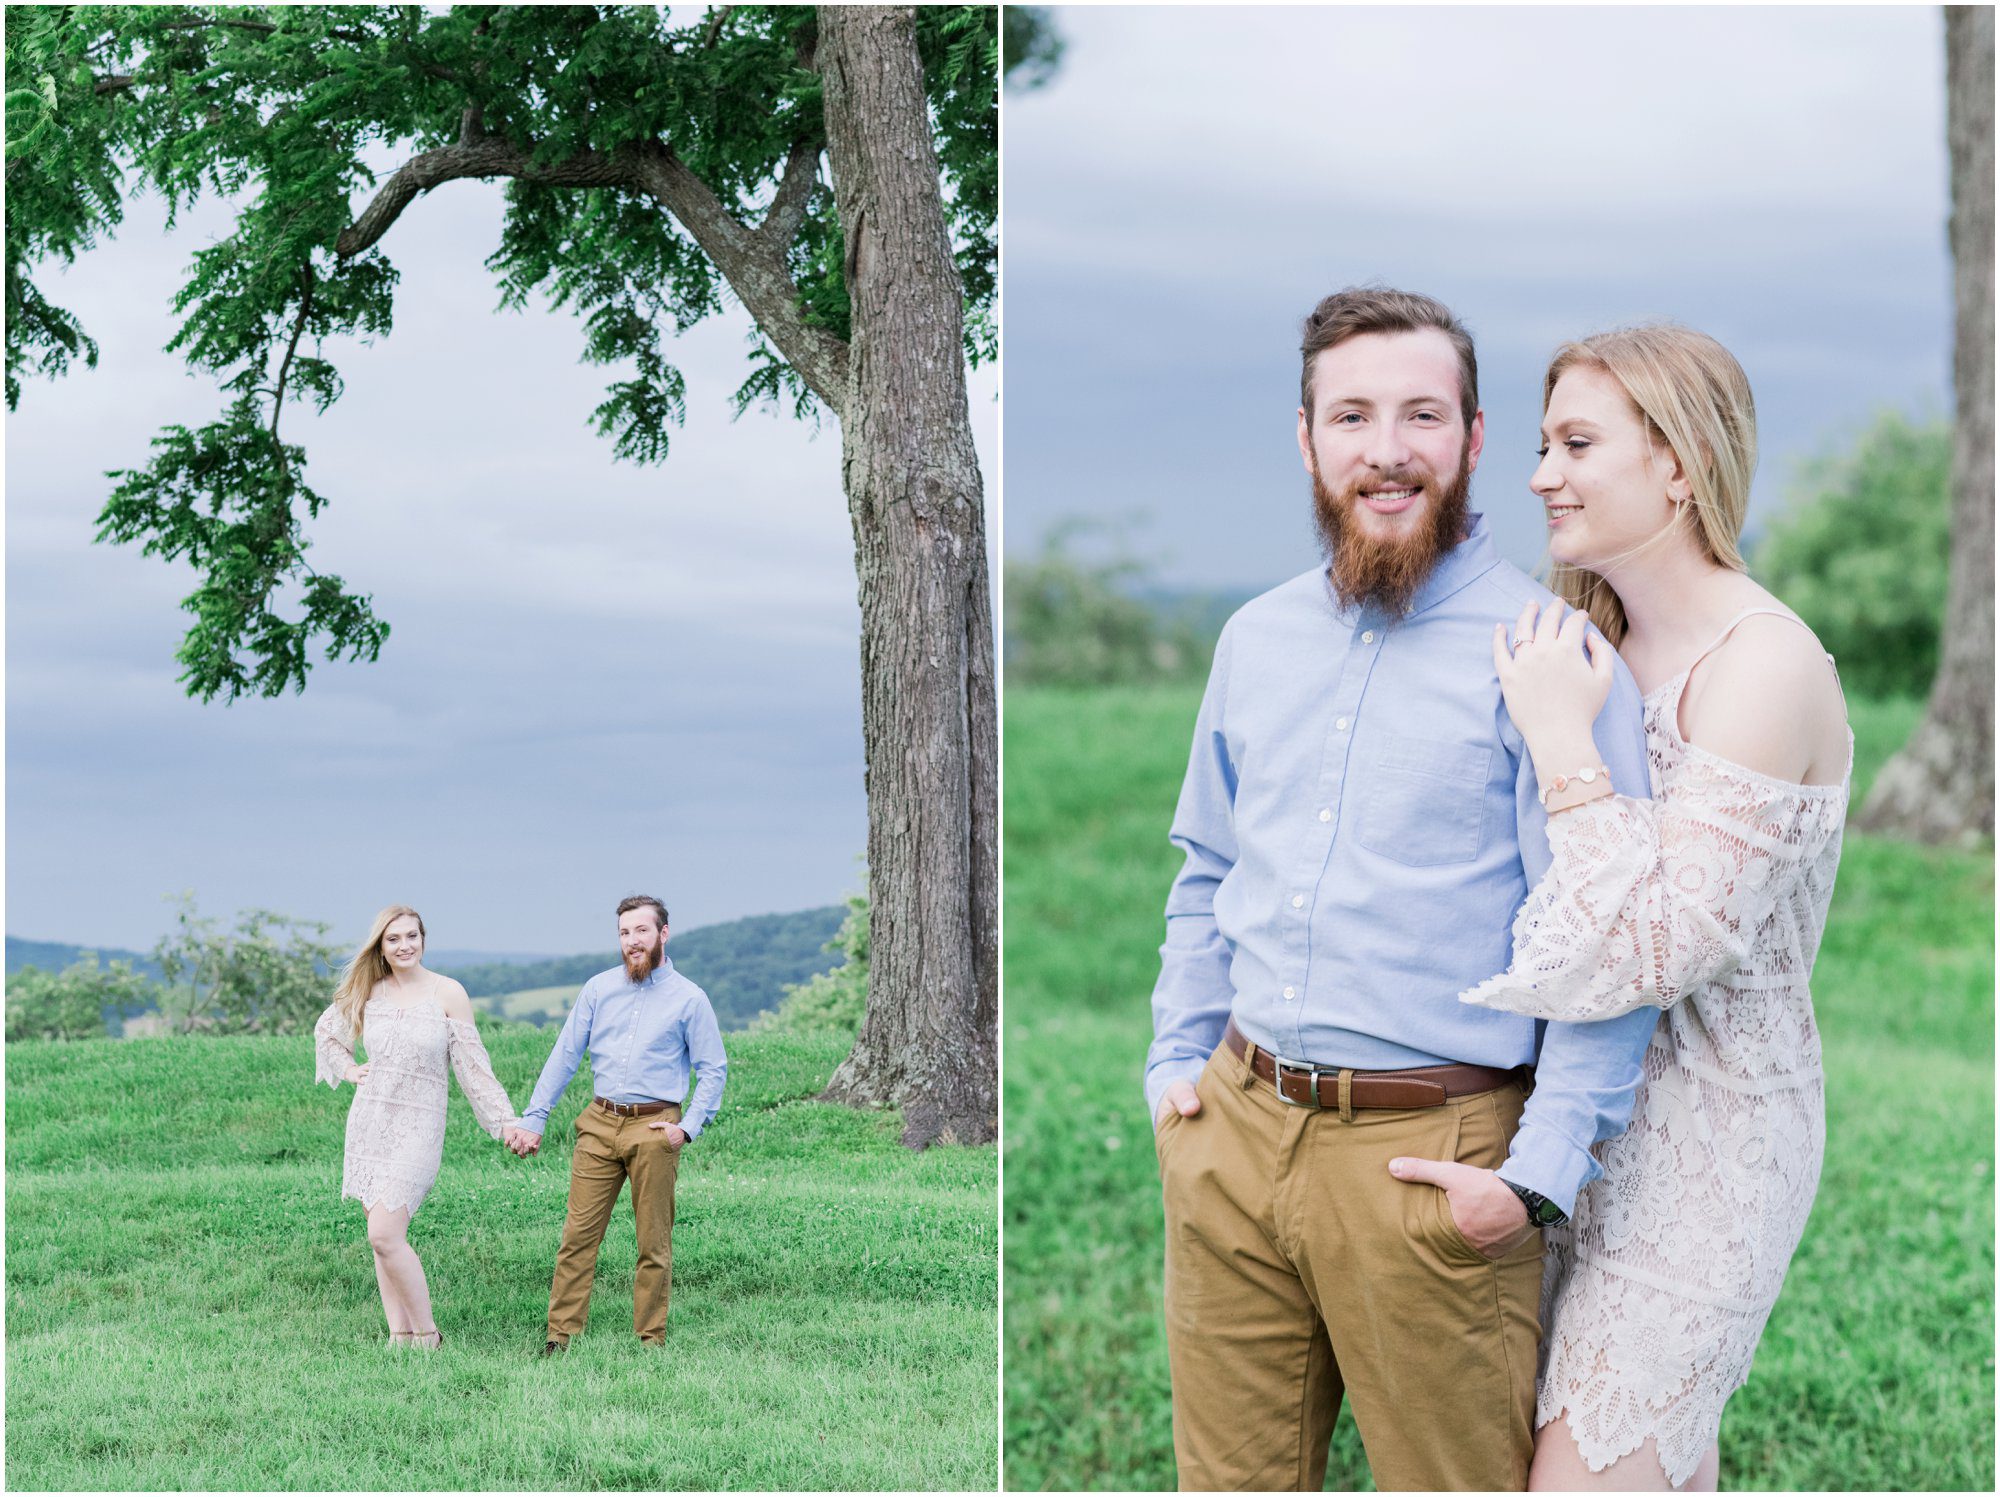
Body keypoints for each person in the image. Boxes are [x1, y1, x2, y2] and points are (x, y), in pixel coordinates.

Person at [1146, 285, 1660, 1492]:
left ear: (1474, 440)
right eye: (1351, 416)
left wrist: (1530, 1179)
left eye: (1420, 416)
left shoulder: (1554, 659)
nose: (1385, 451)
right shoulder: (1253, 640)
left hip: (1432, 1161)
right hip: (1230, 1132)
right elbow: (1207, 869)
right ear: (1306, 437)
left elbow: (1606, 942)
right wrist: (1176, 1067)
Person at [1456, 324, 1851, 1491]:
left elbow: (1653, 949)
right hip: (1557, 1113)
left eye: (1576, 443)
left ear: (1676, 464)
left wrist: (1560, 743)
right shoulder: (1583, 645)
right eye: (1539, 444)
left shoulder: (1761, 663)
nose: (1538, 475)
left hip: (1706, 1140)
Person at [507, 894, 727, 1352]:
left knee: (653, 1243)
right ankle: (560, 1337)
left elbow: (713, 1069)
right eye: (625, 933)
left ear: (663, 934)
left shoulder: (690, 998)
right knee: (577, 1237)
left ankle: (650, 1339)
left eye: (641, 931)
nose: (632, 942)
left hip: (655, 1129)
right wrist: (535, 1117)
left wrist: (686, 1127)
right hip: (600, 1124)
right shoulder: (598, 989)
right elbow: (565, 1056)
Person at [313, 904, 520, 1350]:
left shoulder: (448, 993)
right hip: (370, 1125)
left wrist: (505, 1122)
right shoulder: (368, 991)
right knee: (383, 1243)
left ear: (424, 940)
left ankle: (427, 1335)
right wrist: (349, 1070)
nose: (404, 945)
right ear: (381, 947)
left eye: (412, 936)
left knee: (384, 1233)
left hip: (419, 1129)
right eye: (394, 939)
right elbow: (328, 1033)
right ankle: (399, 1335)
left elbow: (472, 1067)